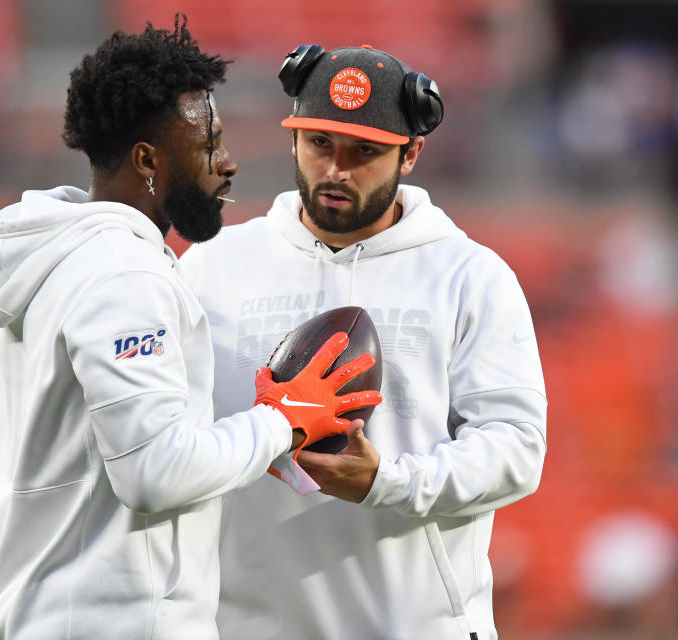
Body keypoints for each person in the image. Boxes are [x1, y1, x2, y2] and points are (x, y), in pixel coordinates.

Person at [0, 22, 381, 640]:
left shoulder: (54, 257)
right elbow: (153, 472)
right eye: (209, 143)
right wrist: (282, 421)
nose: (229, 162)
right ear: (147, 160)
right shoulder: (124, 275)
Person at [180, 44, 548, 640]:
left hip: (414, 625)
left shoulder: (470, 276)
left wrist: (389, 482)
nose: (335, 169)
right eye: (320, 143)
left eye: (365, 152)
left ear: (411, 154)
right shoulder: (210, 267)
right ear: (292, 139)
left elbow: (517, 451)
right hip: (245, 625)